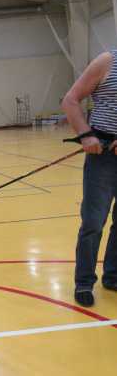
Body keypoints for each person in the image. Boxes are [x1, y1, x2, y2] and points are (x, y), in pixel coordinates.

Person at [62, 50, 117, 307]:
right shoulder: (107, 62)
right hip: (102, 155)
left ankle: (113, 275)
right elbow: (70, 100)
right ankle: (84, 282)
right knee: (93, 222)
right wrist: (86, 135)